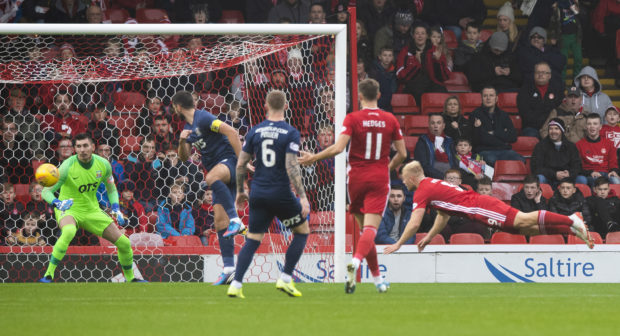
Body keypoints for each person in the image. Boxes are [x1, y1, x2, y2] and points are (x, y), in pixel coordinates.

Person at [300, 78, 407, 294]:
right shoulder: (390, 119)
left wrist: (314, 158)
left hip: (355, 180)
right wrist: (387, 168)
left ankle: (378, 281)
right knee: (370, 230)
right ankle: (356, 262)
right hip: (378, 178)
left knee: (365, 231)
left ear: (359, 96)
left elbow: (338, 148)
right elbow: (402, 154)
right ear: (378, 95)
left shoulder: (353, 118)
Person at [383, 161, 593, 254]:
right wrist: (429, 237)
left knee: (523, 219)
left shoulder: (422, 190)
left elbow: (414, 222)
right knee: (525, 229)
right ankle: (570, 228)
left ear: (411, 177)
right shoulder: (432, 184)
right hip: (481, 209)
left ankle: (571, 219)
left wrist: (398, 244)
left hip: (481, 207)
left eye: (404, 179)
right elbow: (443, 215)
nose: (404, 182)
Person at [228, 90, 311, 299]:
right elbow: (292, 166)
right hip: (281, 193)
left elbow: (241, 164)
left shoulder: (255, 131)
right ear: (286, 106)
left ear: (265, 105)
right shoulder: (290, 132)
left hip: (258, 193)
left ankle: (236, 284)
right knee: (301, 231)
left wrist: (240, 191)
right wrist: (302, 196)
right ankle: (285, 278)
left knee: (253, 239)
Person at [39, 133, 146, 282]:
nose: (82, 149)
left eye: (85, 145)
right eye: (78, 146)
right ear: (75, 149)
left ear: (93, 147)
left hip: (92, 210)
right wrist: (58, 203)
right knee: (69, 231)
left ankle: (131, 279)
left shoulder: (103, 164)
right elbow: (46, 191)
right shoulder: (67, 166)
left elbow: (112, 189)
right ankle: (48, 275)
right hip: (69, 209)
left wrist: (115, 208)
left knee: (124, 243)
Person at [171, 90, 245, 285]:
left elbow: (231, 131)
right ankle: (229, 269)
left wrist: (242, 162)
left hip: (229, 162)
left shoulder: (203, 117)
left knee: (210, 177)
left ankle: (237, 220)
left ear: (177, 107)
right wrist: (181, 140)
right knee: (220, 222)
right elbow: (184, 157)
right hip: (218, 173)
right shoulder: (188, 127)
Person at [469, 86, 523, 166]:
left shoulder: (504, 115)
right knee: (492, 161)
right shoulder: (475, 114)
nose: (488, 98)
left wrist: (493, 133)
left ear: (496, 98)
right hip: (484, 151)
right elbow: (478, 139)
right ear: (482, 98)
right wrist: (502, 135)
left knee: (520, 160)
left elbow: (513, 137)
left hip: (504, 150)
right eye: (485, 96)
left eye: (491, 95)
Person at [531, 118, 586, 186]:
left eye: (556, 128)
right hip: (548, 178)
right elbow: (536, 168)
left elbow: (577, 166)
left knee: (582, 179)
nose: (553, 131)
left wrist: (569, 173)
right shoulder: (540, 146)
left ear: (562, 130)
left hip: (567, 179)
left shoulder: (571, 146)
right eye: (551, 128)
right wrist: (555, 174)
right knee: (540, 178)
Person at [517, 61, 565, 138]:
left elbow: (560, 110)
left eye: (543, 72)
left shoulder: (557, 90)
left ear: (549, 75)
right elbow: (525, 113)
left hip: (552, 126)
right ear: (534, 75)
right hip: (532, 127)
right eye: (537, 72)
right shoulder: (525, 90)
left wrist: (548, 125)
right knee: (531, 135)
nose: (540, 75)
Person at [576, 114, 620, 185]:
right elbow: (577, 167)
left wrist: (613, 171)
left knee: (616, 180)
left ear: (600, 127)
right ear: (586, 127)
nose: (592, 126)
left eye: (595, 124)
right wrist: (590, 172)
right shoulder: (579, 144)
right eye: (589, 124)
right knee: (596, 182)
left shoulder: (609, 143)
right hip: (589, 174)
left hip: (606, 174)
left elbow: (613, 163)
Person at [413, 113, 458, 179]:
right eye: (432, 123)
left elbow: (455, 163)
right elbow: (423, 166)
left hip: (451, 178)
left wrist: (452, 176)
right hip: (431, 178)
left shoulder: (450, 141)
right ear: (429, 125)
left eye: (439, 123)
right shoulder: (423, 141)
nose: (435, 125)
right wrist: (443, 177)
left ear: (443, 126)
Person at [368, 47, 397, 112]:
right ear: (379, 57)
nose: (387, 58)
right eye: (385, 55)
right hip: (376, 104)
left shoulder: (394, 71)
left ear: (392, 57)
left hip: (388, 104)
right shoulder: (374, 72)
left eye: (390, 55)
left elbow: (393, 89)